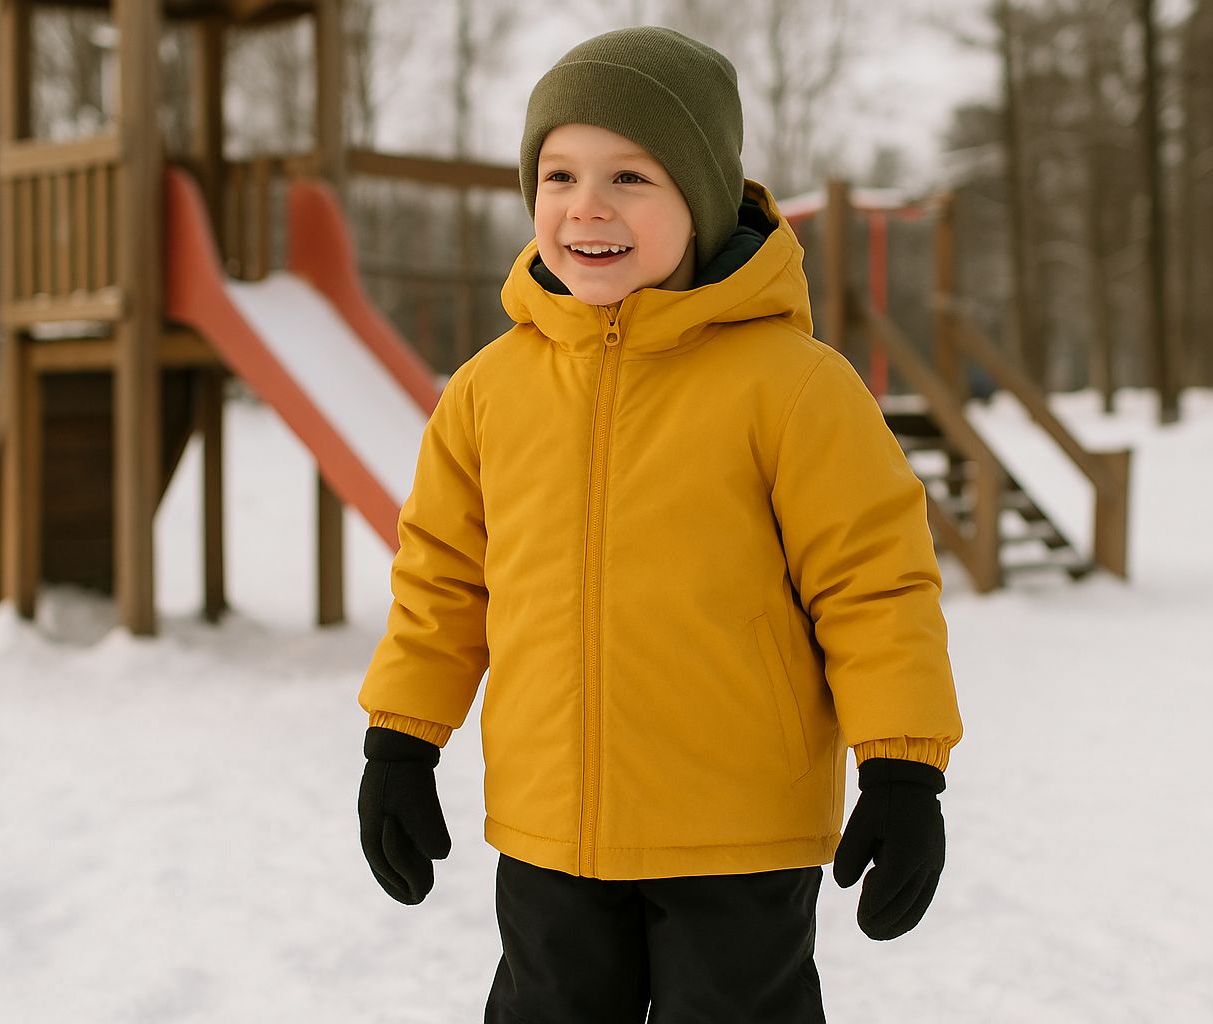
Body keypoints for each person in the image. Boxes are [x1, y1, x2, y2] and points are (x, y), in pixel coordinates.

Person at [357, 25, 964, 1023]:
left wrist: (902, 765)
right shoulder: (487, 391)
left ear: (702, 196)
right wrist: (402, 739)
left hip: (738, 829)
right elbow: (442, 582)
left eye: (630, 176)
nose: (586, 206)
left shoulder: (793, 386)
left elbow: (874, 582)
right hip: (552, 823)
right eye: (559, 175)